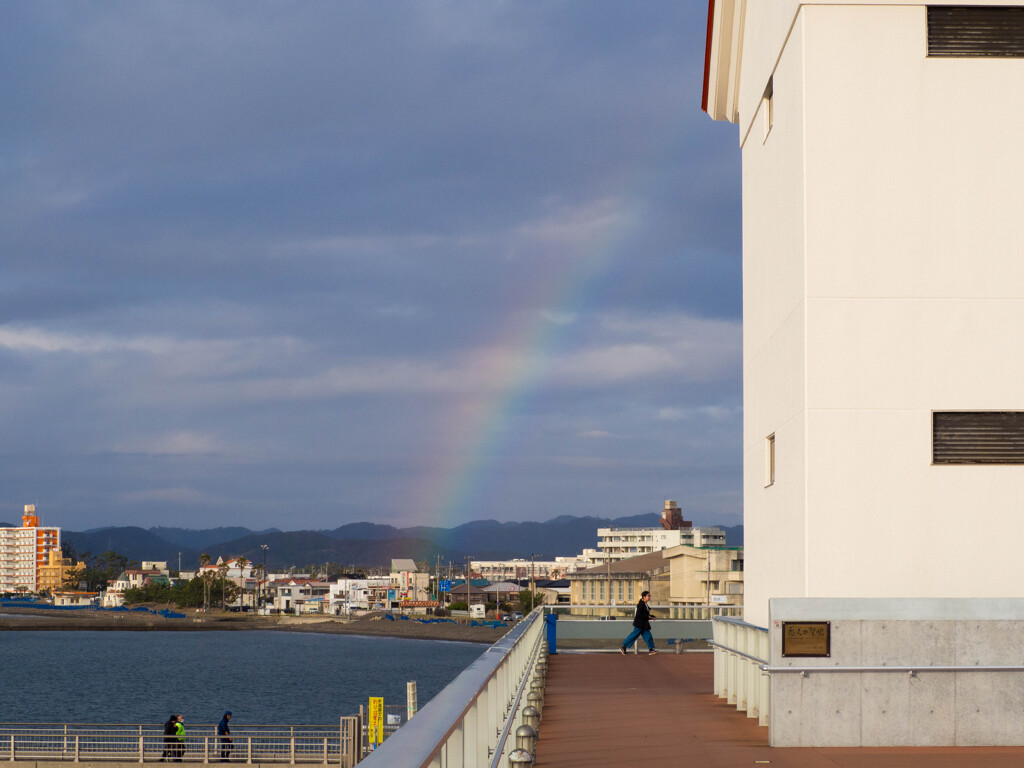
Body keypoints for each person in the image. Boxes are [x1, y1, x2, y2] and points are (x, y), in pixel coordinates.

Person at [619, 590, 658, 655]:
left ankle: (651, 649)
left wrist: (652, 616)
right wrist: (649, 617)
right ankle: (623, 647)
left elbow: (645, 614)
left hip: (644, 625)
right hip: (640, 625)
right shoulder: (640, 605)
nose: (649, 597)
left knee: (648, 636)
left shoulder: (645, 604)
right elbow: (640, 615)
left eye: (649, 596)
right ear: (644, 597)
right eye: (648, 596)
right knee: (633, 636)